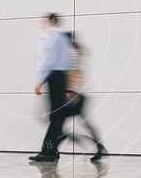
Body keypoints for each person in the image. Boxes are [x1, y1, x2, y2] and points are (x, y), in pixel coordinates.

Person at [29, 14, 97, 162]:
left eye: (45, 21)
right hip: (64, 83)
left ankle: (49, 151)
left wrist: (40, 81)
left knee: (56, 118)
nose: (43, 24)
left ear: (52, 22)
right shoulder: (64, 41)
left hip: (60, 82)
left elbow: (50, 61)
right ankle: (52, 149)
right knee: (58, 118)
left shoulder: (54, 38)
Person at [63, 31, 107, 162]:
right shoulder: (77, 51)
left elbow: (75, 74)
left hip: (76, 94)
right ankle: (99, 147)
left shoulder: (72, 53)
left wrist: (70, 92)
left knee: (58, 121)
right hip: (80, 93)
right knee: (64, 122)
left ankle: (53, 149)